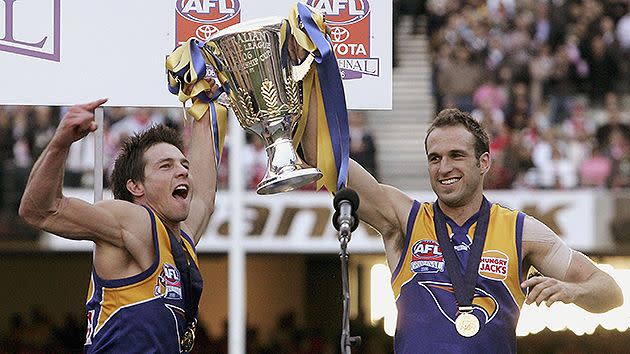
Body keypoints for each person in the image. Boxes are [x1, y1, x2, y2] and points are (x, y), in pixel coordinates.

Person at [302, 108, 623, 353]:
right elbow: (328, 159)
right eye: (434, 158)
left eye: (456, 155)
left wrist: (572, 291)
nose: (444, 168)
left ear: (484, 162)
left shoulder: (520, 231)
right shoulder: (405, 219)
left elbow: (610, 293)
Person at [19, 81, 220, 352]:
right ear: (135, 186)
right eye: (166, 166)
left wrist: (202, 105)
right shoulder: (133, 220)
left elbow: (205, 197)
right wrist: (61, 142)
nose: (183, 171)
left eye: (184, 164)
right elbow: (40, 210)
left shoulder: (181, 238)